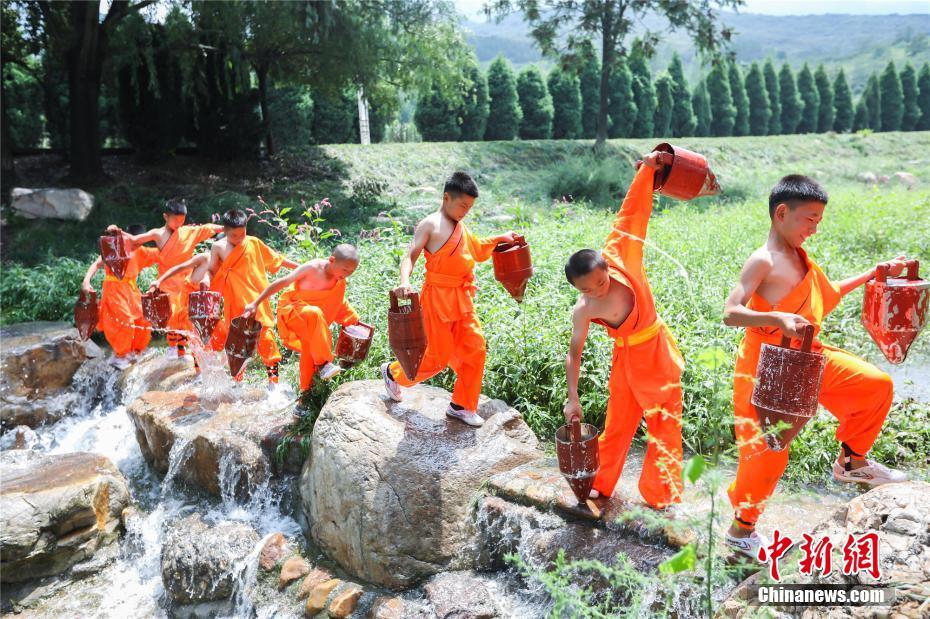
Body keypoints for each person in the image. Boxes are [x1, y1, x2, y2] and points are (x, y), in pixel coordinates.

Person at [722, 174, 908, 559]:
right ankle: (741, 531)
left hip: (807, 356)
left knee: (874, 385)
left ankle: (852, 462)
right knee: (769, 450)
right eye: (809, 219)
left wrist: (872, 275)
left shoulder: (800, 257)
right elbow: (731, 312)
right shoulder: (764, 259)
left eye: (818, 221)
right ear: (781, 213)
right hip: (767, 366)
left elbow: (829, 293)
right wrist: (778, 318)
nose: (814, 228)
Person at [562, 151, 685, 510]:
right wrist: (573, 397)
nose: (598, 291)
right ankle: (600, 484)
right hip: (627, 361)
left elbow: (632, 214)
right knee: (617, 426)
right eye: (588, 289)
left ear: (606, 267)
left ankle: (660, 496)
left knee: (664, 426)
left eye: (601, 282)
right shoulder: (582, 310)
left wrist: (648, 169)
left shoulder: (620, 256)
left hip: (657, 354)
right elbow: (574, 353)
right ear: (577, 290)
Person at [381, 171, 516, 427]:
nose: (466, 210)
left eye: (470, 206)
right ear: (446, 197)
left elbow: (477, 249)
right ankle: (393, 373)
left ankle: (461, 405)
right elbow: (410, 256)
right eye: (463, 205)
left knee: (475, 349)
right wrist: (404, 282)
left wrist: (501, 238)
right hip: (436, 299)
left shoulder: (461, 226)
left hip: (462, 300)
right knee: (437, 358)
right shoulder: (430, 224)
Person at [242, 244, 361, 416]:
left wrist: (354, 321)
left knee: (309, 348)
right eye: (345, 269)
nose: (347, 274)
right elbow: (281, 282)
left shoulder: (339, 279)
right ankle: (323, 363)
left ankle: (303, 399)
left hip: (312, 322)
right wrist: (255, 303)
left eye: (351, 271)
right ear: (332, 260)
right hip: (293, 312)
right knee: (314, 313)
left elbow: (338, 302)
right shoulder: (312, 268)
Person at [109, 198, 222, 358]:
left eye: (182, 220)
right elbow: (135, 240)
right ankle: (172, 347)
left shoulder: (188, 232)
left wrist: (226, 227)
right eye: (175, 219)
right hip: (167, 281)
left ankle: (182, 350)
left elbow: (208, 228)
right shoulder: (157, 234)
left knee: (185, 317)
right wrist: (119, 232)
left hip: (186, 281)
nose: (179, 223)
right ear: (165, 217)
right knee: (172, 315)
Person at [203, 209, 298, 388]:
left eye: (242, 233)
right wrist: (206, 279)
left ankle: (273, 383)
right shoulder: (218, 247)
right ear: (224, 230)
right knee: (238, 344)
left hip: (258, 299)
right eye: (234, 235)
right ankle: (237, 384)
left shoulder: (253, 243)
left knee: (267, 338)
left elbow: (277, 259)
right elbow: (211, 270)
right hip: (235, 301)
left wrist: (300, 267)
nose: (239, 238)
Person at [81, 224, 160, 369]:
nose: (138, 244)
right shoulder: (115, 246)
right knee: (125, 321)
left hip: (131, 290)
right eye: (136, 241)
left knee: (144, 319)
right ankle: (120, 355)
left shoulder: (141, 251)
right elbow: (97, 263)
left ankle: (135, 352)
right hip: (114, 289)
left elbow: (164, 254)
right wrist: (86, 281)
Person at [148, 252, 227, 364]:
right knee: (194, 334)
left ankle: (204, 364)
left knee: (215, 335)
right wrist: (159, 281)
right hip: (188, 300)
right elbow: (181, 267)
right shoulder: (205, 258)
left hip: (207, 303)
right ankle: (197, 370)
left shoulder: (228, 266)